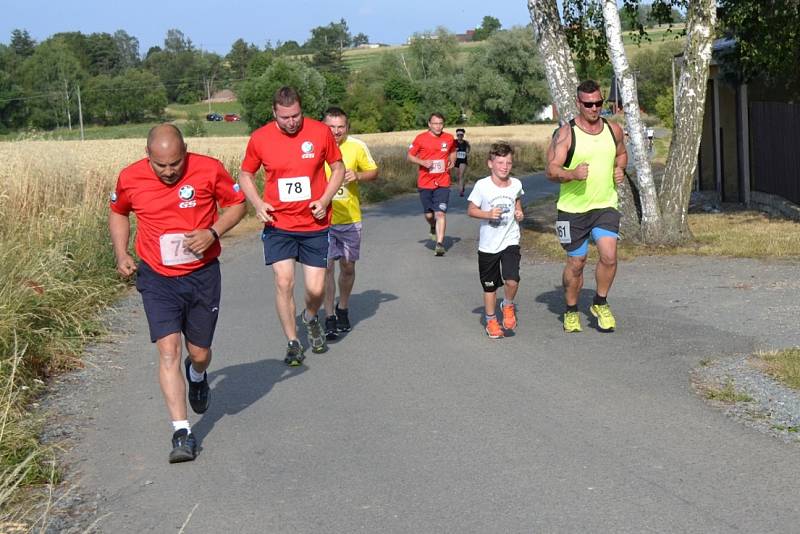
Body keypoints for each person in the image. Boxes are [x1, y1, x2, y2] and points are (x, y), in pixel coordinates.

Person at [108, 124, 246, 463]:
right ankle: (182, 431)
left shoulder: (209, 168)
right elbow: (118, 211)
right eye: (161, 165)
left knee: (198, 352)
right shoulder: (130, 178)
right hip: (157, 278)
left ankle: (197, 374)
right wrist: (122, 253)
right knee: (167, 349)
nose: (169, 172)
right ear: (148, 156)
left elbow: (237, 204)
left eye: (176, 163)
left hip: (201, 276)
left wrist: (213, 232)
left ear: (185, 151)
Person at [238, 87, 344, 365]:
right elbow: (245, 173)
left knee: (316, 290)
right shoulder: (260, 138)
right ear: (274, 113)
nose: (292, 122)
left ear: (301, 110)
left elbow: (339, 167)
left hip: (314, 223)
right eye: (285, 117)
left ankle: (310, 318)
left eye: (296, 115)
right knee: (284, 281)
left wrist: (325, 198)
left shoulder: (320, 132)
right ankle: (293, 341)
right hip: (279, 224)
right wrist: (258, 204)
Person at [546, 80, 628, 333]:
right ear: (578, 104)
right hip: (572, 210)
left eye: (599, 103)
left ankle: (600, 302)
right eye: (589, 104)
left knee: (609, 256)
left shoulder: (613, 129)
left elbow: (622, 154)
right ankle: (571, 309)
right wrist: (571, 174)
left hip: (605, 205)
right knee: (577, 262)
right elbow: (551, 171)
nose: (594, 108)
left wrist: (620, 169)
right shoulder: (566, 134)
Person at [320, 107, 379, 340]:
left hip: (350, 218)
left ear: (347, 126)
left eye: (340, 127)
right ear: (323, 126)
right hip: (322, 219)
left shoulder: (356, 146)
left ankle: (343, 307)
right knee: (325, 269)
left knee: (347, 267)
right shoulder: (316, 146)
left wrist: (358, 175)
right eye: (331, 127)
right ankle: (329, 316)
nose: (335, 131)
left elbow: (374, 172)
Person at [467, 142, 524, 339]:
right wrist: (488, 214)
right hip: (488, 245)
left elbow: (517, 200)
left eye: (508, 163)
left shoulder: (516, 184)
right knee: (490, 286)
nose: (504, 167)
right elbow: (471, 210)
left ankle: (507, 305)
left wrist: (519, 212)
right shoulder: (482, 186)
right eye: (500, 162)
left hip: (510, 239)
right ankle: (491, 320)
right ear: (490, 164)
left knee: (512, 279)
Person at [407, 112, 456, 256]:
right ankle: (432, 226)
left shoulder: (448, 138)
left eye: (440, 123)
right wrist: (422, 162)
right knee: (429, 215)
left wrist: (452, 160)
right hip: (425, 181)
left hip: (443, 181)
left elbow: (453, 151)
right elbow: (409, 156)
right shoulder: (420, 138)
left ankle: (439, 244)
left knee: (440, 213)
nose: (438, 126)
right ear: (429, 124)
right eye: (435, 123)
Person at [453, 128, 471, 197]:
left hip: (463, 160)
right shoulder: (454, 142)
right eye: (458, 135)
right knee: (458, 176)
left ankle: (461, 191)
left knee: (461, 175)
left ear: (463, 135)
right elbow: (450, 150)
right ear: (457, 135)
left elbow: (468, 150)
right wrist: (455, 150)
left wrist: (467, 151)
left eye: (461, 135)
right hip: (456, 160)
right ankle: (462, 186)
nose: (459, 136)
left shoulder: (466, 143)